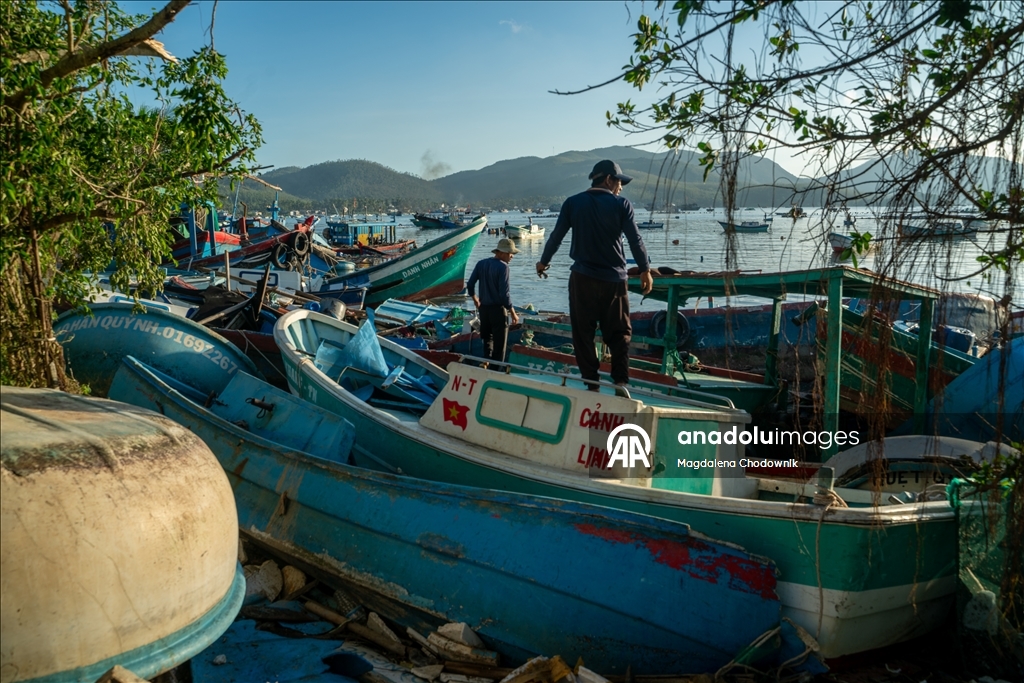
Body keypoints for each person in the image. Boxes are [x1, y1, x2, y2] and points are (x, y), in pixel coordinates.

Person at [536, 159, 654, 392]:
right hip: (614, 281)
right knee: (620, 333)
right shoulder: (622, 205)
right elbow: (635, 240)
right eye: (619, 182)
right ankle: (620, 381)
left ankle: (591, 382)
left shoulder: (572, 203)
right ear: (609, 179)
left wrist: (543, 262)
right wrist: (645, 270)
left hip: (583, 278)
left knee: (583, 334)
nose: (621, 187)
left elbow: (556, 237)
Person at [467, 237, 520, 365]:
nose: (511, 256)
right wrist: (513, 312)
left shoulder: (481, 263)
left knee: (487, 342)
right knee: (499, 347)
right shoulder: (503, 267)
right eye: (509, 253)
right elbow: (504, 295)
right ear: (501, 253)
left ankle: (486, 364)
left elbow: (470, 284)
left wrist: (475, 300)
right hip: (498, 310)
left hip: (484, 309)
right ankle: (497, 371)